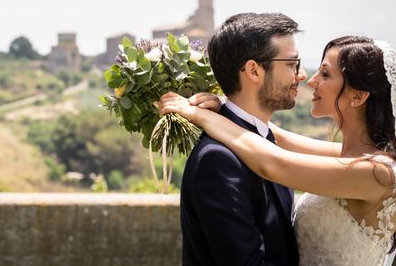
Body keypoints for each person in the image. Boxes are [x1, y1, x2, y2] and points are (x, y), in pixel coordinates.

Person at [160, 35, 396, 266]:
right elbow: (276, 137)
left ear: (358, 95)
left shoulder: (378, 173)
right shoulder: (351, 157)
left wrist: (199, 115)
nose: (309, 80)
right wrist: (225, 106)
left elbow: (273, 163)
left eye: (325, 73)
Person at [163, 12, 304, 265]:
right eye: (292, 63)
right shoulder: (218, 160)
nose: (301, 74)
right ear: (253, 70)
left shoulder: (264, 138)